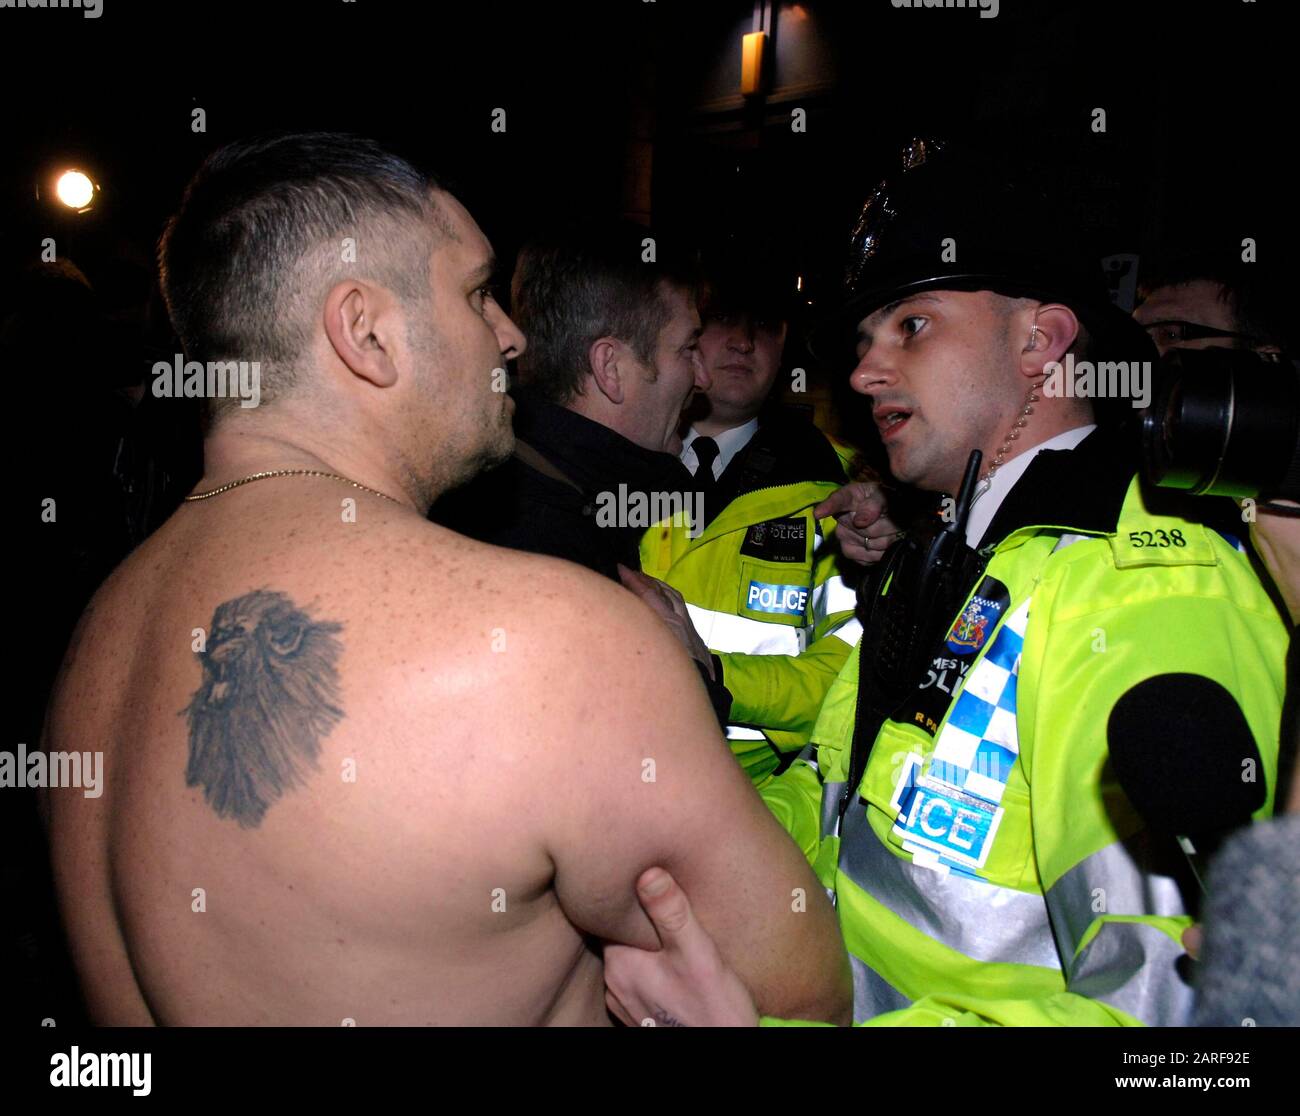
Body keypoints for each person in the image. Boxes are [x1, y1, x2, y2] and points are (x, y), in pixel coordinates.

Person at [38, 133, 852, 1026]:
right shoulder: (550, 642)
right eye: (475, 293)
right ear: (366, 332)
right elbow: (803, 991)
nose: (510, 334)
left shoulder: (97, 641)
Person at [605, 140, 1291, 1027]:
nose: (862, 372)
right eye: (862, 341)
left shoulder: (1144, 587)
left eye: (912, 326)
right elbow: (834, 795)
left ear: (1039, 340)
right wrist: (668, 860)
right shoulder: (948, 550)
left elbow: (1166, 1028)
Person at [640, 249, 867, 784]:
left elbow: (846, 679)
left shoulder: (844, 486)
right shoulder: (616, 461)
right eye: (723, 321)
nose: (744, 342)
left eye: (764, 325)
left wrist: (714, 676)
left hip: (758, 797)